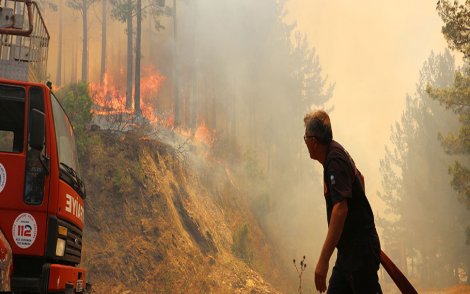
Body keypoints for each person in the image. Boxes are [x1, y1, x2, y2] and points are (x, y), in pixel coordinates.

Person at [303, 110, 382, 294]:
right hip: (350, 251)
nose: (305, 142)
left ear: (313, 142)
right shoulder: (336, 153)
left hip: (359, 253)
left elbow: (340, 209)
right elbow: (360, 178)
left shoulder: (334, 162)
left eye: (305, 137)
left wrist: (323, 260)